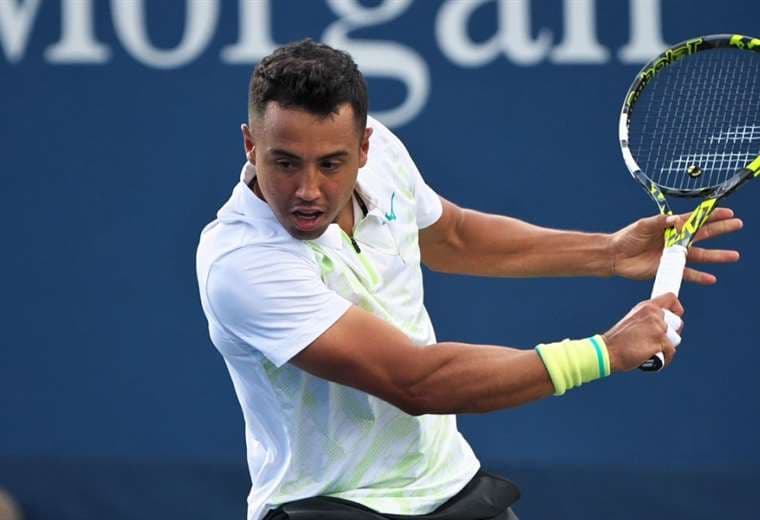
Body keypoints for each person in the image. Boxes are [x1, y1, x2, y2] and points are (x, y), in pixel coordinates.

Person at [195, 39, 742, 520]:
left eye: (331, 164)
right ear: (250, 145)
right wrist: (603, 352)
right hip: (329, 506)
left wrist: (609, 252)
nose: (308, 189)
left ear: (364, 147)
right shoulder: (242, 263)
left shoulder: (382, 154)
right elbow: (415, 381)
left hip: (449, 486)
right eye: (285, 163)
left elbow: (451, 237)